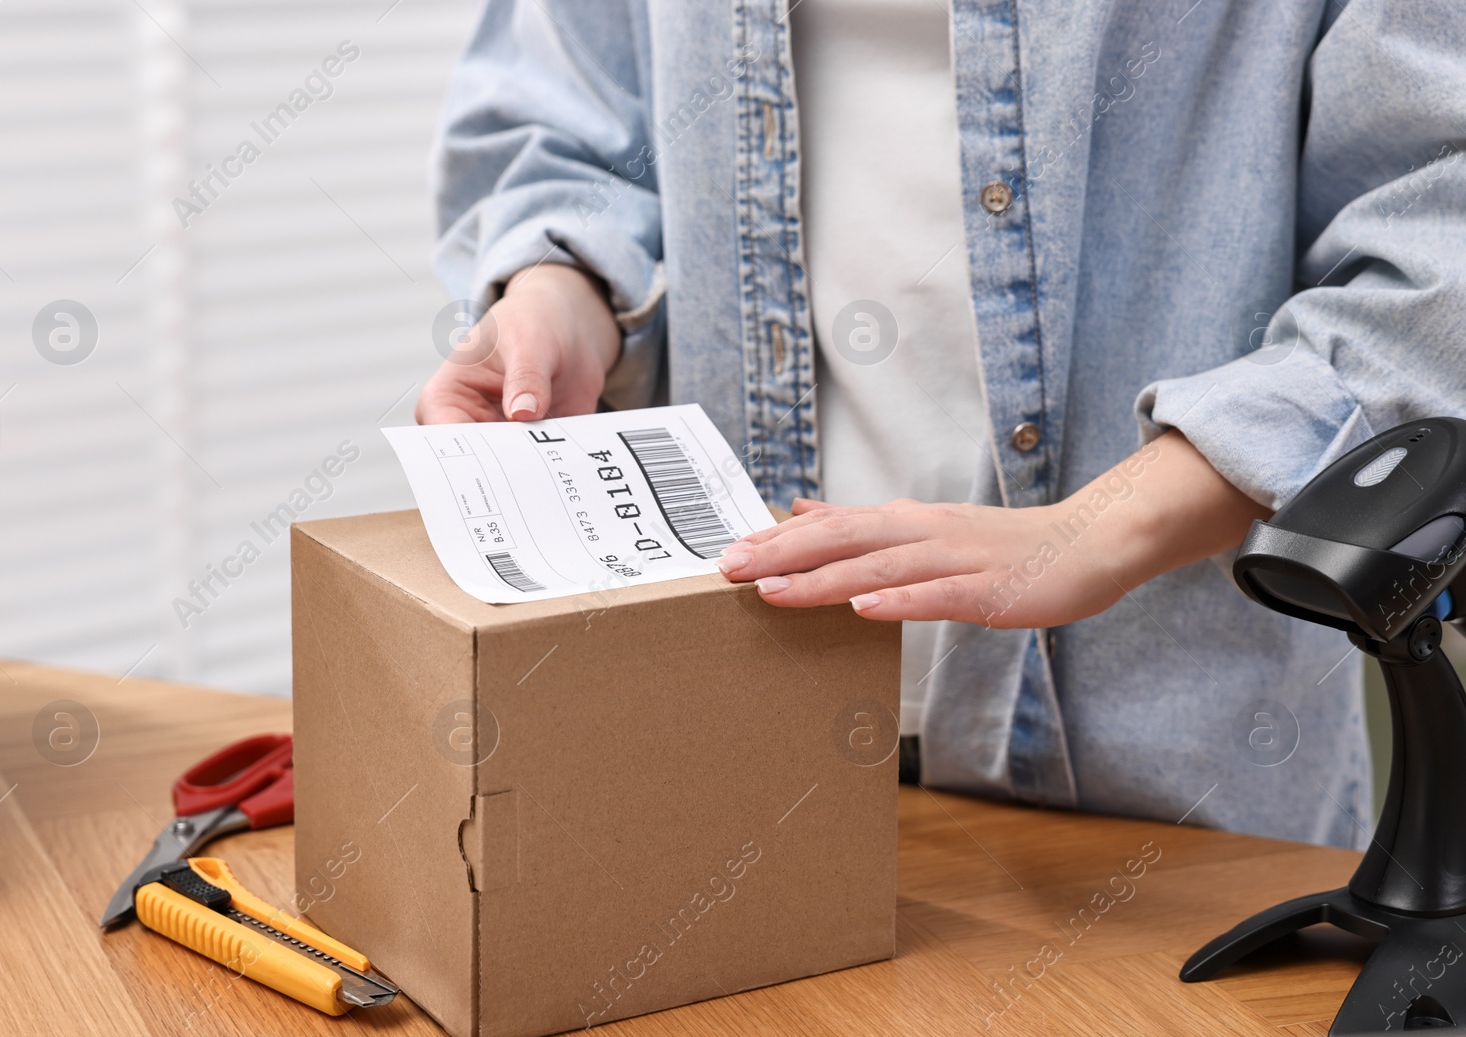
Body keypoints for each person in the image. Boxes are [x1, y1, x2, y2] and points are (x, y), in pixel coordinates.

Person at [415, 0, 1466, 846]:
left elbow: (1436, 241)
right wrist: (562, 284)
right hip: (722, 730)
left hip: (1162, 760)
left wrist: (1105, 526)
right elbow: (564, 120)